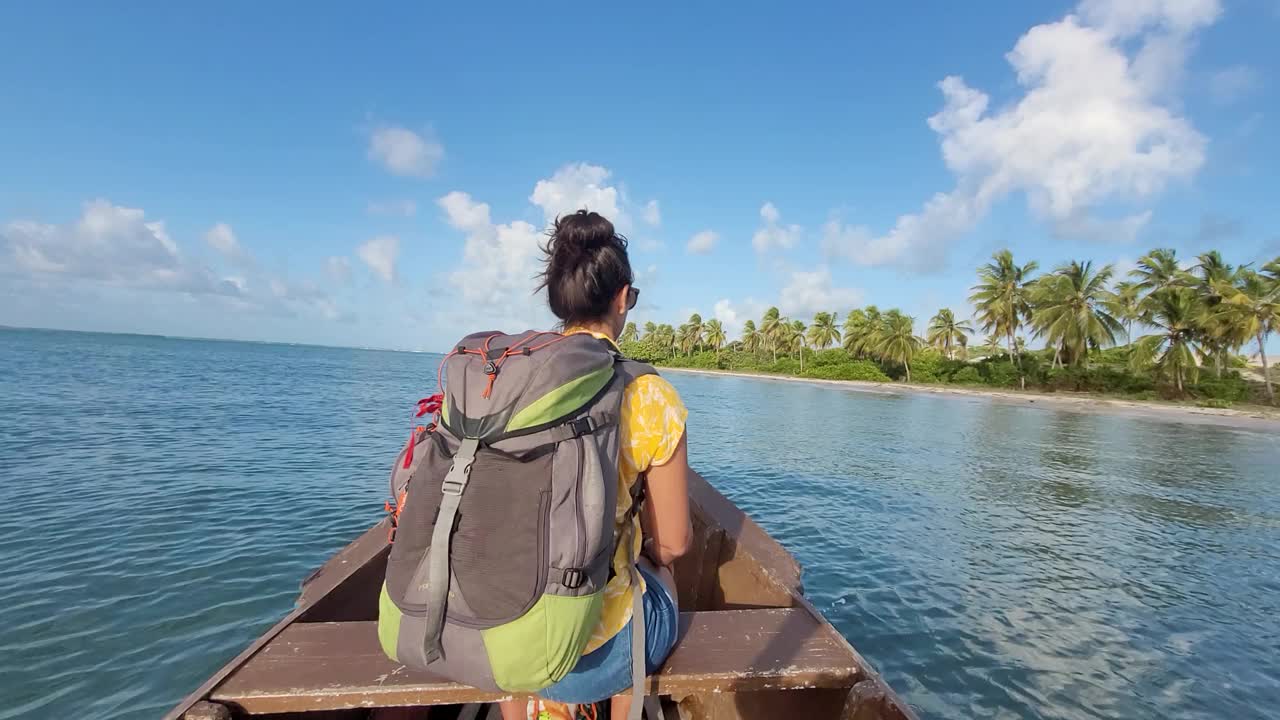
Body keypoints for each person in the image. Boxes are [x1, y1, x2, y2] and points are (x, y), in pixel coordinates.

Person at [496, 210, 693, 720]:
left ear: (559, 303)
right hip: (595, 660)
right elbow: (673, 542)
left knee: (508, 592)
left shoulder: (506, 380)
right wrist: (649, 555)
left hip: (499, 636)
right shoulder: (649, 394)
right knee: (660, 578)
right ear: (623, 297)